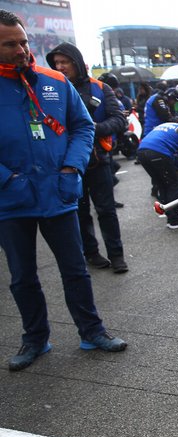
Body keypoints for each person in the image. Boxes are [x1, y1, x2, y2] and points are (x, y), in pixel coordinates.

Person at [0, 10, 127, 371]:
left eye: (23, 41)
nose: (21, 50)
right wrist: (7, 179)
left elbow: (83, 127)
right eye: (10, 44)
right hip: (10, 202)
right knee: (22, 276)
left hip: (58, 194)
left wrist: (72, 168)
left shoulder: (53, 80)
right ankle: (35, 339)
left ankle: (92, 331)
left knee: (76, 270)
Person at [46, 42, 129, 273]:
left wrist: (94, 128)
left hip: (98, 160)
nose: (60, 67)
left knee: (106, 211)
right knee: (79, 211)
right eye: (56, 63)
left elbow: (119, 120)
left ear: (76, 62)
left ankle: (117, 255)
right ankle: (91, 253)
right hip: (67, 164)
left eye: (64, 62)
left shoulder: (100, 88)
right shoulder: (50, 89)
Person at [136, 122, 178, 229]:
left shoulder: (169, 125)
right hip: (158, 151)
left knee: (162, 184)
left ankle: (170, 216)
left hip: (141, 151)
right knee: (172, 184)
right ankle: (174, 220)